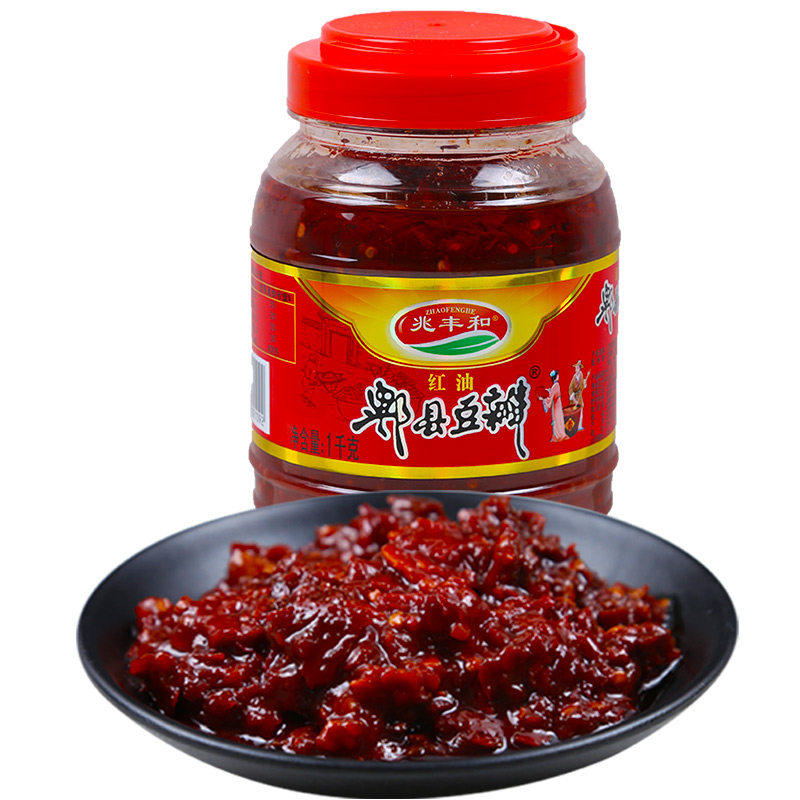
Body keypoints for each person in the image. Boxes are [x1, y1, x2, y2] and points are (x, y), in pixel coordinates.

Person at [543, 369, 568, 442]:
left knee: (558, 418)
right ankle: (559, 435)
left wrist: (548, 394)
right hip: (557, 403)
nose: (558, 376)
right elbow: (552, 395)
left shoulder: (555, 385)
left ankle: (560, 435)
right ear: (556, 376)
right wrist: (548, 393)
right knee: (557, 419)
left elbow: (551, 395)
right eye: (558, 375)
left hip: (557, 403)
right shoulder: (556, 385)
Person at [568, 359, 590, 431]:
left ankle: (579, 426)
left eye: (577, 368)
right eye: (575, 368)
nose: (576, 369)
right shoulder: (574, 377)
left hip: (579, 396)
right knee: (573, 413)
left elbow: (582, 386)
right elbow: (570, 389)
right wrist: (574, 399)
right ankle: (572, 427)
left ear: (580, 368)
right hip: (574, 396)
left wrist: (584, 383)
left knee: (581, 411)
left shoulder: (581, 375)